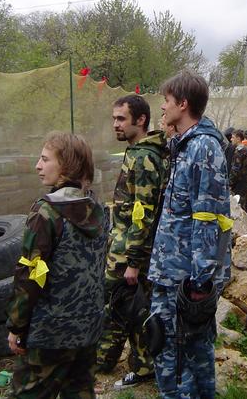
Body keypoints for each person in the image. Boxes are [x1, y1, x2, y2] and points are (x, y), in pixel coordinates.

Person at [6, 131, 110, 398]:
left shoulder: (46, 212)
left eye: (45, 159)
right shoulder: (97, 208)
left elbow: (31, 274)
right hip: (88, 327)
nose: (37, 166)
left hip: (51, 333)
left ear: (66, 165)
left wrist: (17, 326)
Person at [148, 70, 232, 399]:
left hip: (185, 277)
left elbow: (209, 217)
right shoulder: (185, 145)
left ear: (183, 104)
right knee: (185, 351)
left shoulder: (203, 148)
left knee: (179, 353)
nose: (162, 107)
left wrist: (200, 281)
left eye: (166, 101)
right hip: (173, 270)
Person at [96, 95, 170, 389]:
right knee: (124, 306)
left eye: (121, 119)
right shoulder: (139, 152)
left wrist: (134, 262)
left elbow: (143, 214)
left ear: (140, 120)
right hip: (124, 245)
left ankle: (139, 366)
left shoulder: (145, 158)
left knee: (127, 308)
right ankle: (108, 360)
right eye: (114, 118)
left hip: (130, 250)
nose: (115, 124)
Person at [229, 129, 247, 215]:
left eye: (233, 137)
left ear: (238, 138)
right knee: (246, 207)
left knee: (240, 208)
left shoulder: (239, 151)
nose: (231, 139)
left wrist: (230, 183)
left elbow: (235, 169)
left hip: (239, 184)